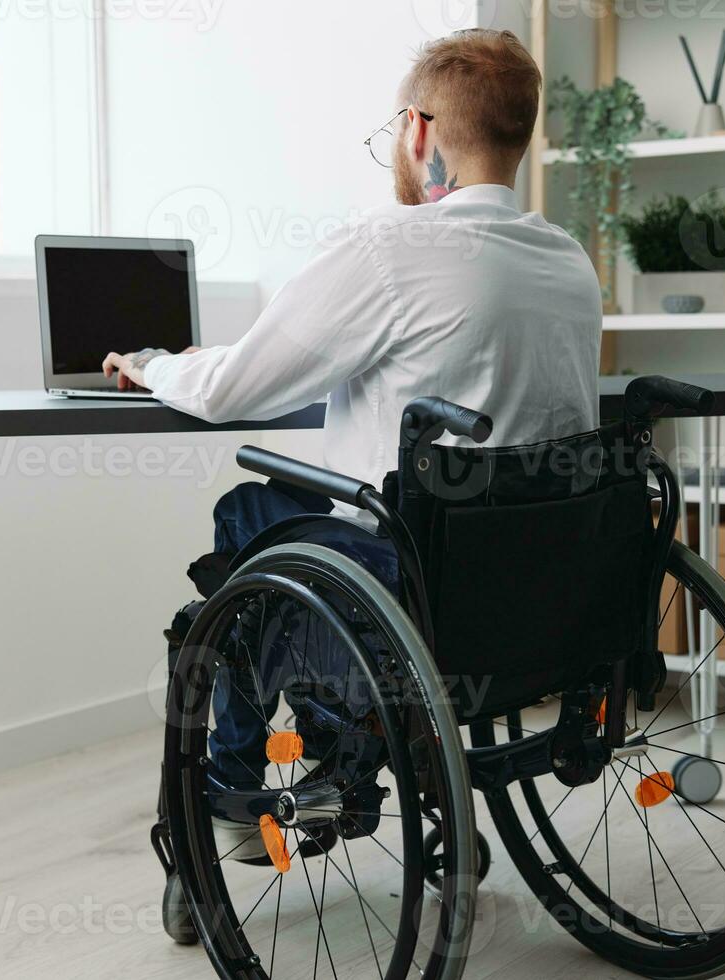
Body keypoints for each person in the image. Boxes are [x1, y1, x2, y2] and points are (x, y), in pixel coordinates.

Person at [122, 28, 603, 888]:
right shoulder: (568, 262)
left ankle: (235, 795)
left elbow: (236, 388)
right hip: (541, 599)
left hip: (410, 593)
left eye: (396, 134)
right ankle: (348, 757)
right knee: (317, 524)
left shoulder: (391, 249)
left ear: (419, 131)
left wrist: (155, 366)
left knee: (250, 517)